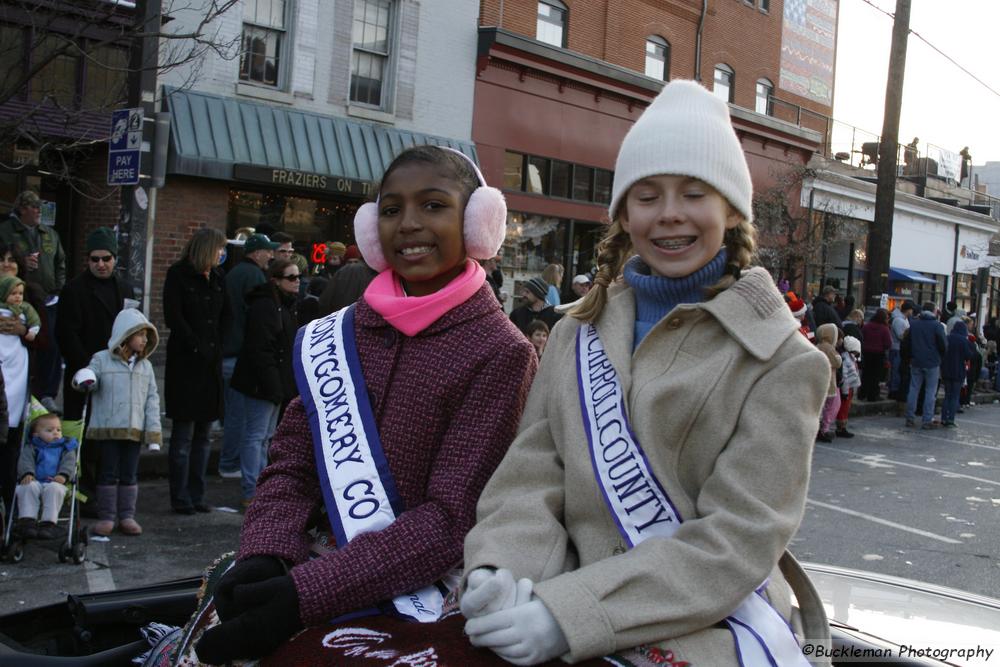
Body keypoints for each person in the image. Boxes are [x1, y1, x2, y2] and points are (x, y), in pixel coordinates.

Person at [462, 81, 829, 666]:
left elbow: (736, 541)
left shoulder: (783, 361)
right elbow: (533, 475)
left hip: (708, 629)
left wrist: (572, 615)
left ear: (732, 209)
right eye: (647, 195)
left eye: (694, 193)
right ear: (624, 214)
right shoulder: (575, 332)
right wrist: (502, 567)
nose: (670, 215)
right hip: (551, 605)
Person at [193, 145, 537, 664]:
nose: (409, 224)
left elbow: (450, 520)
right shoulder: (336, 334)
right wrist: (266, 550)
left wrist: (305, 594)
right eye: (392, 209)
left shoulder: (502, 351)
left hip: (423, 589)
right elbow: (291, 465)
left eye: (434, 205)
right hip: (311, 564)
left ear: (477, 223)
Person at [72, 309, 160, 537]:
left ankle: (127, 516)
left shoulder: (146, 367)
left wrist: (153, 434)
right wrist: (84, 378)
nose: (145, 340)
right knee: (107, 473)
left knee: (130, 474)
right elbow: (90, 376)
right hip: (108, 429)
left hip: (134, 429)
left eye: (146, 336)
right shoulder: (101, 359)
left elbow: (152, 400)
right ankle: (107, 517)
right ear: (126, 335)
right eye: (140, 335)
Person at [162, 228, 228, 515]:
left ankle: (197, 493)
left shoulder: (217, 278)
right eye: (218, 249)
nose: (221, 254)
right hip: (186, 364)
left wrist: (217, 347)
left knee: (204, 435)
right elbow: (174, 317)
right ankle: (180, 495)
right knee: (183, 436)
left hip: (210, 363)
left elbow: (225, 316)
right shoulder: (178, 275)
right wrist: (197, 345)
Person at [229, 258, 301, 508]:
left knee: (267, 436)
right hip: (262, 382)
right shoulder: (266, 306)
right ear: (276, 280)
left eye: (298, 276)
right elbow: (261, 349)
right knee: (256, 435)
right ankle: (252, 490)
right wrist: (274, 386)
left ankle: (260, 487)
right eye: (291, 277)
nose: (297, 282)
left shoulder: (285, 306)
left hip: (275, 382)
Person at [218, 233, 278, 479]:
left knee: (234, 414)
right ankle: (231, 463)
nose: (271, 255)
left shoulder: (233, 273)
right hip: (239, 354)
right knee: (242, 419)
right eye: (268, 251)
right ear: (256, 253)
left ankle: (229, 461)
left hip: (229, 352)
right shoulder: (253, 276)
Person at [0, 191, 66, 412]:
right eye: (34, 206)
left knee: (50, 348)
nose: (38, 210)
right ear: (22, 208)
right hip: (13, 297)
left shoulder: (48, 233)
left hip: (45, 298)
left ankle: (45, 394)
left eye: (40, 207)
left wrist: (57, 286)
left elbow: (60, 262)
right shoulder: (6, 231)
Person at [14, 412, 77, 540]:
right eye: (50, 430)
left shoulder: (66, 447)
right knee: (26, 487)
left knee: (54, 489)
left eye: (58, 430)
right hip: (35, 480)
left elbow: (69, 463)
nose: (56, 433)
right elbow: (26, 461)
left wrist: (63, 475)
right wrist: (27, 473)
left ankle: (48, 524)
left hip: (56, 481)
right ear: (36, 435)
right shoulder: (32, 447)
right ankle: (27, 521)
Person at [905, 302, 946, 429]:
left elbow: (908, 342)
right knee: (930, 391)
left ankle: (910, 417)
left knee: (914, 389)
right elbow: (943, 344)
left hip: (916, 360)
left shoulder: (914, 324)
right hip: (932, 362)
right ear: (933, 311)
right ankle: (927, 419)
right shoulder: (937, 325)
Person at [941, 319, 973, 427]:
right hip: (958, 371)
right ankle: (951, 419)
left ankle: (943, 418)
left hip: (946, 370)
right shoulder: (964, 341)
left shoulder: (947, 338)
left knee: (947, 395)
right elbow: (969, 356)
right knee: (954, 396)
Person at [815, 323, 843, 442]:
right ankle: (824, 429)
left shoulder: (818, 345)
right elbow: (837, 361)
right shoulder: (828, 348)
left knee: (820, 407)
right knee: (832, 406)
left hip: (818, 380)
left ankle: (818, 429)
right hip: (829, 381)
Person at [859, 308, 891, 401]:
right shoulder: (884, 329)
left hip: (866, 352)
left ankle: (862, 393)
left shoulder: (867, 326)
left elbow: (862, 337)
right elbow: (888, 343)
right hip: (879, 354)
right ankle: (872, 395)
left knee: (866, 374)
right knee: (875, 376)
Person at [836, 335, 862, 438]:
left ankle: (842, 426)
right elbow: (845, 378)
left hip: (850, 387)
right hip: (846, 388)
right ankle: (841, 427)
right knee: (844, 408)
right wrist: (845, 392)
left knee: (846, 408)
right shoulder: (846, 359)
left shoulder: (850, 358)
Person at [888, 300, 915, 399]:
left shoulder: (904, 319)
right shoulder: (899, 320)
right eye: (911, 310)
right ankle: (894, 390)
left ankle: (895, 388)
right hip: (897, 348)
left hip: (900, 348)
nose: (912, 312)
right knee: (896, 370)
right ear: (908, 310)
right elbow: (901, 336)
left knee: (898, 370)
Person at [1, 277, 40, 341]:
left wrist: (32, 332)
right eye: (13, 293)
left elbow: (34, 320)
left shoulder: (25, 307)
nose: (17, 296)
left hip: (17, 341)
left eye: (20, 293)